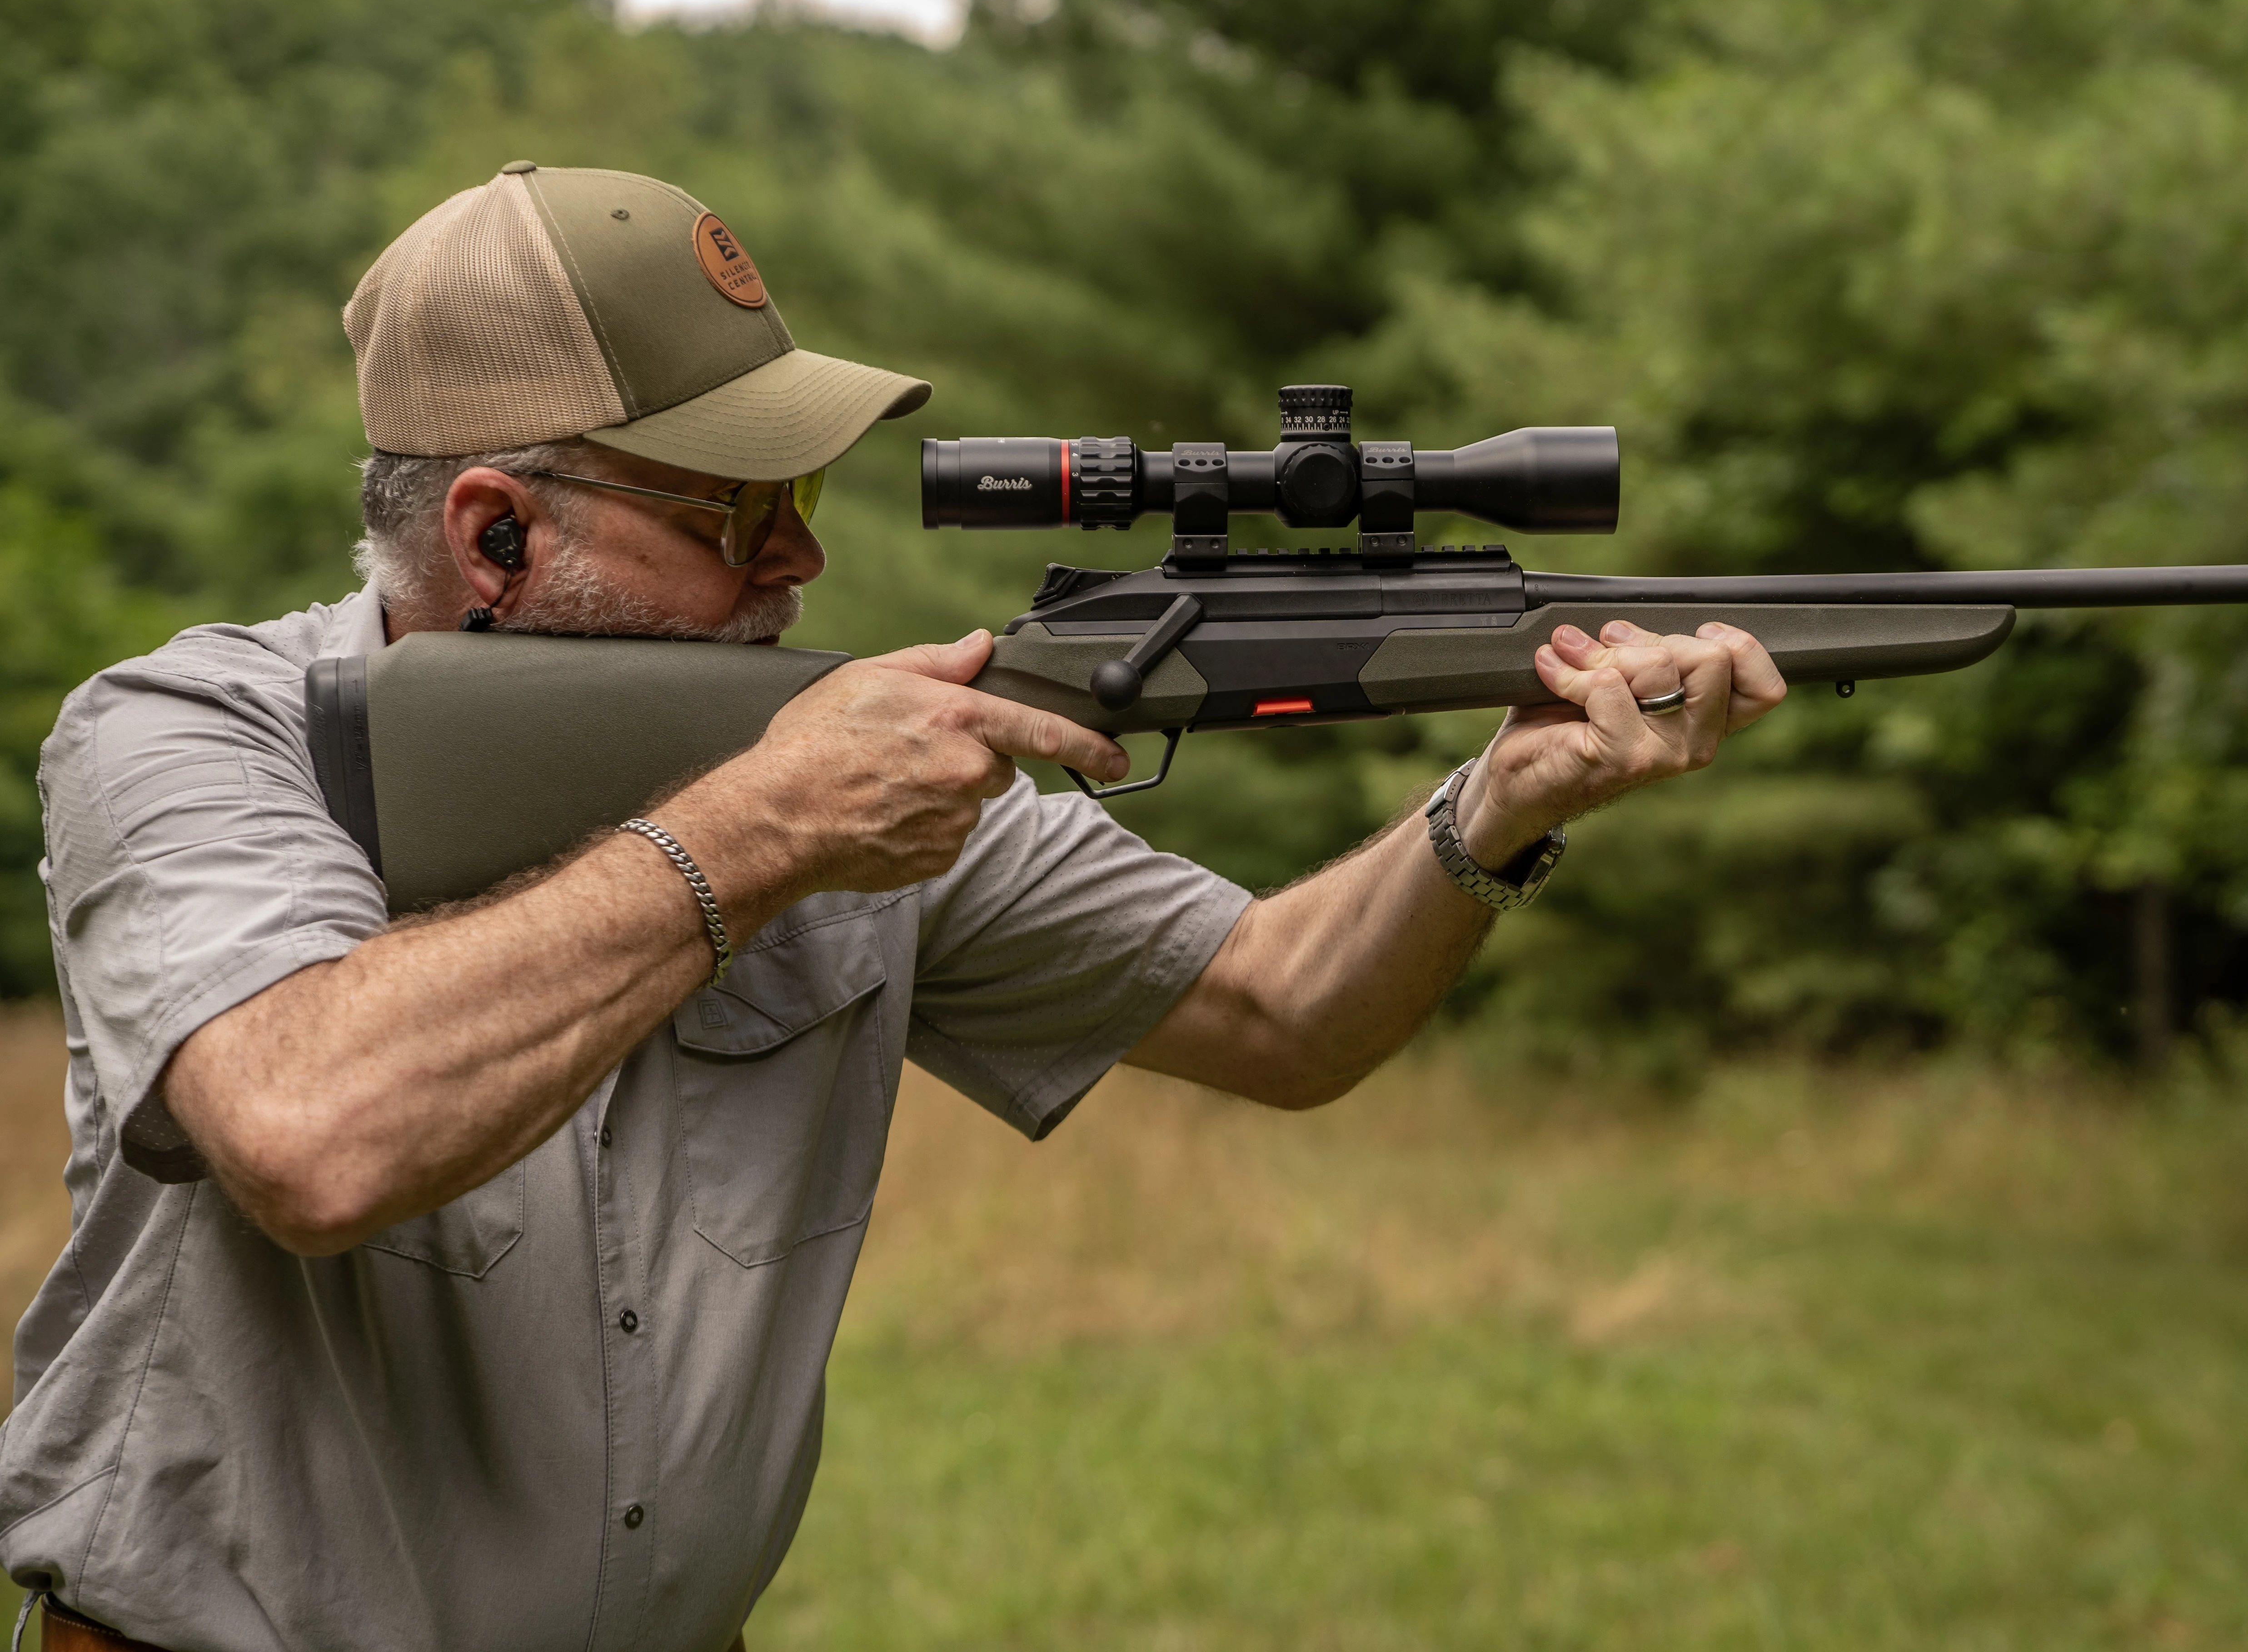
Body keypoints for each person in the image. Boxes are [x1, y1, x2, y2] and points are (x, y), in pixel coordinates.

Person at [0, 164, 1783, 1652]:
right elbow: (317, 1134)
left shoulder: (838, 772)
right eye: (739, 508)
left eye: (806, 494)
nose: (804, 557)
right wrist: (752, 838)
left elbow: (1285, 1008)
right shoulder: (197, 736)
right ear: (494, 534)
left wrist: (1500, 801)